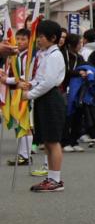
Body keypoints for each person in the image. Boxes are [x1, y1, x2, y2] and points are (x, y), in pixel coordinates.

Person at [18, 21, 67, 192]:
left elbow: (48, 82)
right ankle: (51, 177)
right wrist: (29, 84)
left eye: (41, 37)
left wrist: (30, 94)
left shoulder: (55, 55)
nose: (38, 40)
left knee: (53, 141)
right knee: (47, 141)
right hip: (43, 98)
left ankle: (56, 179)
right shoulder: (44, 54)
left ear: (53, 38)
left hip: (51, 98)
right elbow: (40, 77)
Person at [4, 28, 34, 166]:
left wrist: (8, 80)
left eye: (23, 39)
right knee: (18, 122)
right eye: (18, 39)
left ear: (30, 41)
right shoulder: (16, 55)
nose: (20, 42)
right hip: (16, 92)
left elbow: (26, 76)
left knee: (25, 123)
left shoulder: (28, 56)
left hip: (25, 92)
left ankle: (25, 155)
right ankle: (21, 153)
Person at [61, 33, 87, 152]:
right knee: (67, 115)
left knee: (78, 114)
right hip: (65, 88)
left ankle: (74, 140)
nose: (81, 45)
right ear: (72, 44)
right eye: (79, 43)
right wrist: (78, 73)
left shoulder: (79, 57)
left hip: (78, 89)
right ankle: (65, 141)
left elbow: (85, 67)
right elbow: (64, 71)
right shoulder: (63, 55)